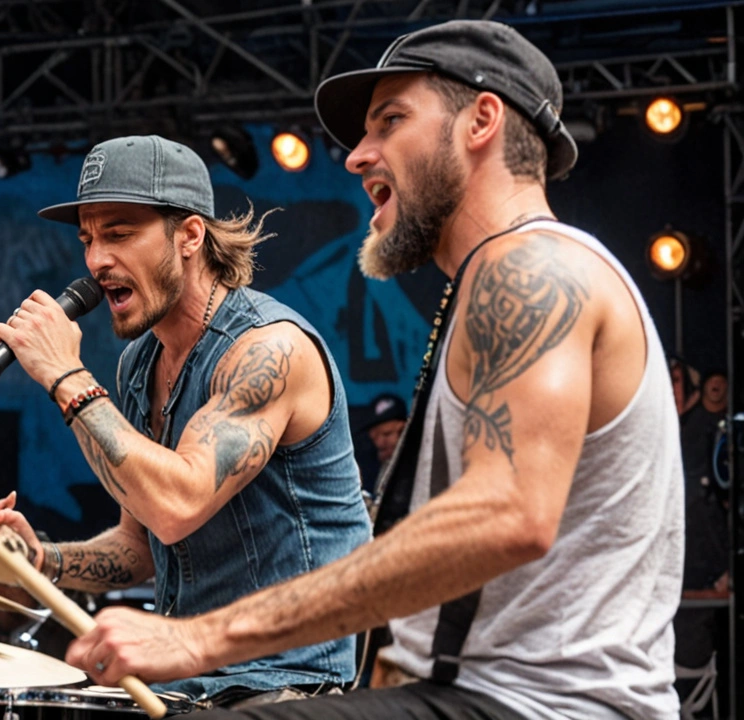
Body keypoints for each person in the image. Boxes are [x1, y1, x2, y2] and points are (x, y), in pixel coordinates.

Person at [60, 21, 684, 720]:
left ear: (482, 120)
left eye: (390, 122)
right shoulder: (487, 285)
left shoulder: (531, 267)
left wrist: (201, 638)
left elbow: (508, 515)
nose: (357, 157)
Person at [0, 135, 371, 705]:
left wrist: (64, 375)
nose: (96, 260)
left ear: (190, 235)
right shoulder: (140, 363)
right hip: (190, 684)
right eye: (88, 239)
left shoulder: (269, 350)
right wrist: (41, 559)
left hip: (289, 686)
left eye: (119, 234)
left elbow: (177, 506)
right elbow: (139, 543)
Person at [356, 393, 407, 491]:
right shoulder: (368, 467)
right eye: (374, 438)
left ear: (404, 430)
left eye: (386, 434)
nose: (379, 443)